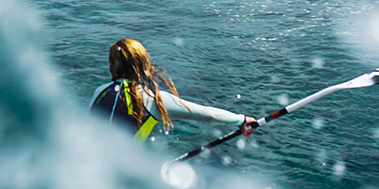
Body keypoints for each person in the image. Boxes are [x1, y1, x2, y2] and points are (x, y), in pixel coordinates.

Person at [90, 38, 257, 142]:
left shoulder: (99, 92)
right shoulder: (153, 98)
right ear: (143, 65)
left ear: (114, 67)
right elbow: (210, 115)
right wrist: (241, 120)